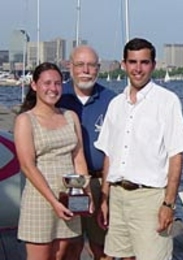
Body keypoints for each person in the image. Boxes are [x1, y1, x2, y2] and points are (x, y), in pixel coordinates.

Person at [94, 37, 183, 260]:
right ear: (124, 64)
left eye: (144, 62)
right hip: (117, 197)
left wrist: (169, 203)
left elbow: (176, 156)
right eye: (133, 62)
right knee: (120, 256)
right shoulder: (116, 104)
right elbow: (109, 154)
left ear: (153, 65)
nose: (138, 69)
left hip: (150, 198)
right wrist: (105, 198)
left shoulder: (167, 101)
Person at [14, 62, 91, 259]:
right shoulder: (25, 120)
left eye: (57, 83)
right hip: (40, 198)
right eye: (47, 83)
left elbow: (78, 158)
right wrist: (52, 200)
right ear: (34, 86)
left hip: (68, 196)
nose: (53, 88)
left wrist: (87, 194)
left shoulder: (70, 116)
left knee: (63, 255)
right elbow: (27, 166)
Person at [58, 45, 116, 260]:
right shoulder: (57, 95)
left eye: (91, 65)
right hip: (64, 183)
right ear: (70, 67)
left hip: (100, 181)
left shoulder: (111, 100)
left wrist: (106, 194)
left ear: (98, 69)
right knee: (67, 248)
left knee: (102, 247)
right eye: (80, 64)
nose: (85, 70)